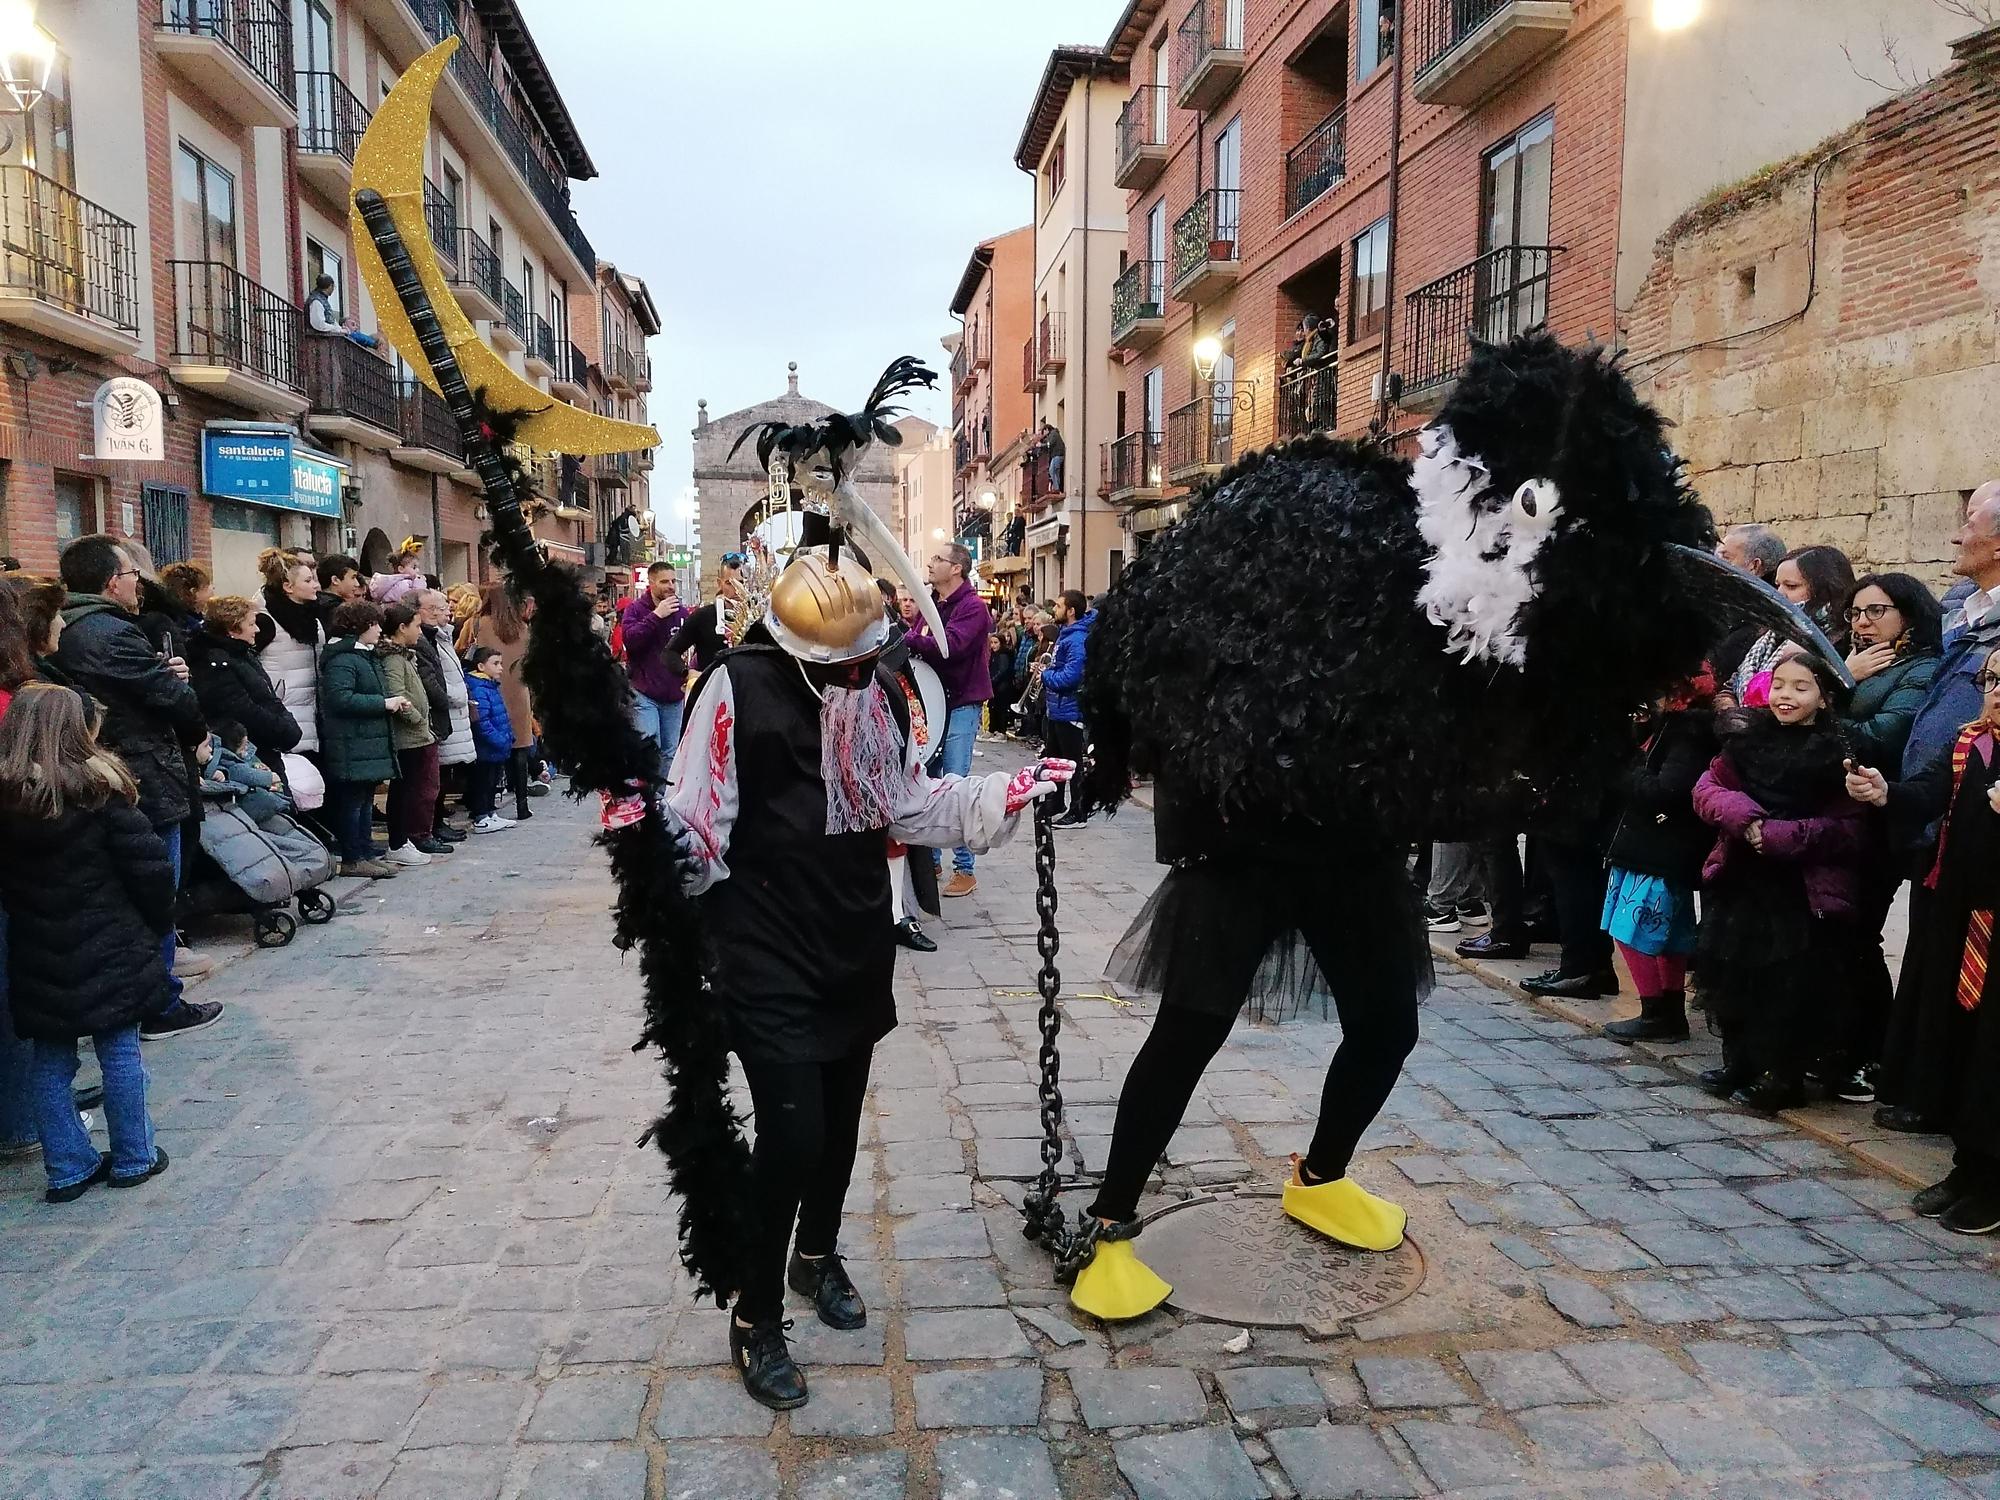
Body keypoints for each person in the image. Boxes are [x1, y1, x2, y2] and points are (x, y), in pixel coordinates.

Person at [662, 538, 1071, 1411]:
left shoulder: (879, 688)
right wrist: (654, 850)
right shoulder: (734, 685)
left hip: (850, 933)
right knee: (794, 1134)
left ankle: (817, 1258)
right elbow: (697, 819)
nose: (857, 674)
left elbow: (909, 803)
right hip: (762, 938)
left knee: (841, 1121)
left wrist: (1011, 790)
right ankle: (755, 1312)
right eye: (841, 662)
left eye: (865, 658)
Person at [0, 682, 174, 1201]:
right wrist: (156, 921)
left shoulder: (9, 802)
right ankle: (134, 1156)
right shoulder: (101, 795)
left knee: (51, 1059)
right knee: (119, 1050)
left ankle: (68, 1165)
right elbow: (150, 870)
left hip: (36, 946)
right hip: (111, 940)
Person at [1848, 646, 2000, 1233]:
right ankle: (1971, 1165)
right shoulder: (1972, 742)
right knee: (1961, 1037)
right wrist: (1883, 791)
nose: (1994, 691)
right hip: (1963, 912)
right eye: (1990, 678)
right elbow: (1927, 790)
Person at [50, 535, 220, 1039]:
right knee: (153, 888)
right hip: (141, 771)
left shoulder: (91, 630)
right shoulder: (105, 631)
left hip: (127, 766)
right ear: (111, 582)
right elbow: (170, 700)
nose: (138, 585)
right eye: (131, 576)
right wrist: (187, 707)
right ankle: (158, 1002)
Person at [1876, 483, 2000, 1132]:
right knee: (1930, 955)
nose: (1957, 534)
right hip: (1936, 815)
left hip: (1977, 824)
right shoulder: (1965, 611)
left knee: (1962, 965)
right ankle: (1924, 1088)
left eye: (1969, 520)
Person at [1691, 652, 1866, 1111]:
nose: (1786, 696)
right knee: (1734, 970)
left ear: (1824, 698)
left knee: (1786, 984)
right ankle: (1740, 1061)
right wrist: (1745, 819)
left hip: (1799, 888)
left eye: (1800, 687)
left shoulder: (1837, 754)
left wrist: (1781, 837)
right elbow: (1708, 788)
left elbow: (1848, 827)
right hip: (1742, 875)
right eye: (1780, 685)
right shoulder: (1746, 739)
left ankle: (1780, 1073)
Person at [1829, 572, 1944, 1100]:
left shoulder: (1921, 667)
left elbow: (1881, 737)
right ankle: (1837, 1043)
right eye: (1856, 612)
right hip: (1835, 812)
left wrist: (1833, 692)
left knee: (1857, 935)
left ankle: (1870, 1053)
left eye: (1876, 611)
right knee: (1832, 935)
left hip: (1878, 816)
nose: (1862, 622)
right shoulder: (1849, 658)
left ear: (1908, 615)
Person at [1600, 671, 1718, 1043]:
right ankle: (1667, 1011)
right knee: (1668, 935)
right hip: (1650, 846)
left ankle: (1656, 1011)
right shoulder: (1667, 726)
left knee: (1631, 931)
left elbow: (1666, 790)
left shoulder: (1688, 733)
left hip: (1659, 850)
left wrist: (1623, 767)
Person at [906, 543, 993, 897]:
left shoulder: (973, 608)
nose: (930, 563)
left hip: (960, 704)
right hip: (934, 704)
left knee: (956, 784)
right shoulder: (932, 606)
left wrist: (911, 637)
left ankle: (965, 869)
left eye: (938, 559)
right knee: (928, 781)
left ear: (956, 568)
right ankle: (932, 859)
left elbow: (950, 646)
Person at [318, 600, 406, 879]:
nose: (380, 630)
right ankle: (353, 856)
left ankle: (366, 852)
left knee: (366, 800)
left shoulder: (363, 655)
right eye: (375, 624)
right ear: (359, 627)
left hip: (364, 743)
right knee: (353, 803)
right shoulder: (343, 659)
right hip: (350, 743)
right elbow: (340, 698)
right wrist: (384, 703)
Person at [1728, 544, 1854, 707]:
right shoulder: (1770, 631)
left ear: (1824, 590)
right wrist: (1731, 712)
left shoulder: (1836, 642)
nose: (1779, 593)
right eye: (1777, 585)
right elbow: (1731, 685)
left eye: (1791, 586)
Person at [189, 594, 302, 772]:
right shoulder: (217, 664)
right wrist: (286, 731)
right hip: (247, 754)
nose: (257, 629)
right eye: (251, 624)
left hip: (264, 749)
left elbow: (266, 700)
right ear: (232, 629)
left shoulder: (242, 655)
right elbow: (243, 710)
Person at [378, 602, 448, 864]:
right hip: (409, 736)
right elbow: (397, 693)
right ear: (401, 627)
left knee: (416, 788)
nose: (420, 631)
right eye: (416, 626)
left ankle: (405, 839)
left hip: (419, 734)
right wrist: (417, 720)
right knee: (406, 790)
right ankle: (400, 842)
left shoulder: (406, 655)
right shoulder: (394, 659)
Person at [471, 581, 537, 821]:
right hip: (519, 691)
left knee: (491, 748)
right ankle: (522, 804)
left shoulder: (479, 624)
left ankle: (486, 804)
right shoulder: (521, 626)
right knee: (520, 747)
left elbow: (464, 649)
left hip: (489, 689)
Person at [621, 560, 692, 776]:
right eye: (664, 581)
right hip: (645, 692)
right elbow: (630, 640)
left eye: (673, 581)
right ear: (651, 583)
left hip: (673, 694)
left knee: (671, 752)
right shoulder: (635, 610)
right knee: (650, 747)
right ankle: (650, 798)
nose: (670, 586)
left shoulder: (681, 612)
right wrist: (656, 616)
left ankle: (665, 799)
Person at [255, 548, 325, 760]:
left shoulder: (313, 617)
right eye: (308, 581)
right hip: (284, 714)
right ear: (288, 587)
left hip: (313, 713)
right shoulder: (263, 620)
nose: (315, 585)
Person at [418, 590, 473, 842]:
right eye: (440, 607)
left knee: (442, 771)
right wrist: (453, 697)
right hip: (443, 709)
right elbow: (432, 679)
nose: (447, 611)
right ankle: (432, 824)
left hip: (452, 710)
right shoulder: (426, 640)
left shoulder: (443, 635)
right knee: (434, 773)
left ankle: (437, 821)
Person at [1040, 589, 1096, 827]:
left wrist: (1045, 676)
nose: (1055, 609)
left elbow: (1071, 677)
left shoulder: (1076, 639)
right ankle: (1055, 802)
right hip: (1058, 709)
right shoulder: (1066, 635)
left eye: (1059, 606)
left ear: (1071, 611)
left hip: (1070, 709)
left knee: (1072, 764)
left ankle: (1079, 811)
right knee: (1055, 760)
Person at [463, 647, 516, 833]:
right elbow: (482, 722)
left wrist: (508, 736)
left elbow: (500, 715)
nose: (500, 668)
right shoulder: (479, 688)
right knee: (483, 782)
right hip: (486, 747)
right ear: (480, 666)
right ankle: (481, 817)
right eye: (495, 663)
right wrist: (500, 739)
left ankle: (490, 812)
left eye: (500, 663)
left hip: (496, 746)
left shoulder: (490, 686)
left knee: (492, 782)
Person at [668, 550, 748, 673]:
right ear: (719, 583)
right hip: (712, 689)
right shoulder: (703, 616)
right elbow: (670, 652)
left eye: (742, 583)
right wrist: (688, 673)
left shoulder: (760, 619)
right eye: (730, 583)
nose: (737, 590)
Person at [306, 272, 381, 349]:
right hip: (320, 342)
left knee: (355, 335)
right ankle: (372, 343)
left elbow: (329, 321)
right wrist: (339, 330)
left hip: (326, 342)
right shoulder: (317, 301)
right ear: (330, 286)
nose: (333, 289)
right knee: (355, 335)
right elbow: (319, 324)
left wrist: (340, 329)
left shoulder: (321, 300)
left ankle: (372, 342)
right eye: (333, 286)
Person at [368, 538, 427, 610]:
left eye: (418, 567)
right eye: (414, 567)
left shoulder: (401, 583)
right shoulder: (403, 584)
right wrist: (419, 583)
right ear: (401, 569)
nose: (417, 570)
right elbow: (414, 599)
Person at [316, 553, 365, 632]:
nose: (357, 584)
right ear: (335, 580)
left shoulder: (315, 603)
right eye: (353, 577)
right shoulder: (336, 611)